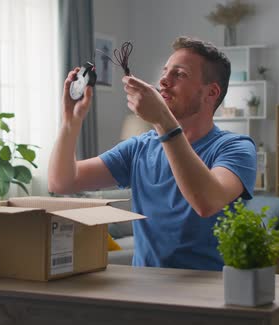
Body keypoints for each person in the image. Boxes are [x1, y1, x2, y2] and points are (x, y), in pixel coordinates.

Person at [48, 36, 256, 271]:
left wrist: (162, 122)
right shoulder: (139, 148)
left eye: (180, 74)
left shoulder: (235, 148)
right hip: (145, 288)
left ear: (211, 93)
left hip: (209, 291)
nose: (164, 80)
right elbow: (62, 181)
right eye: (165, 71)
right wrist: (70, 121)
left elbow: (207, 202)